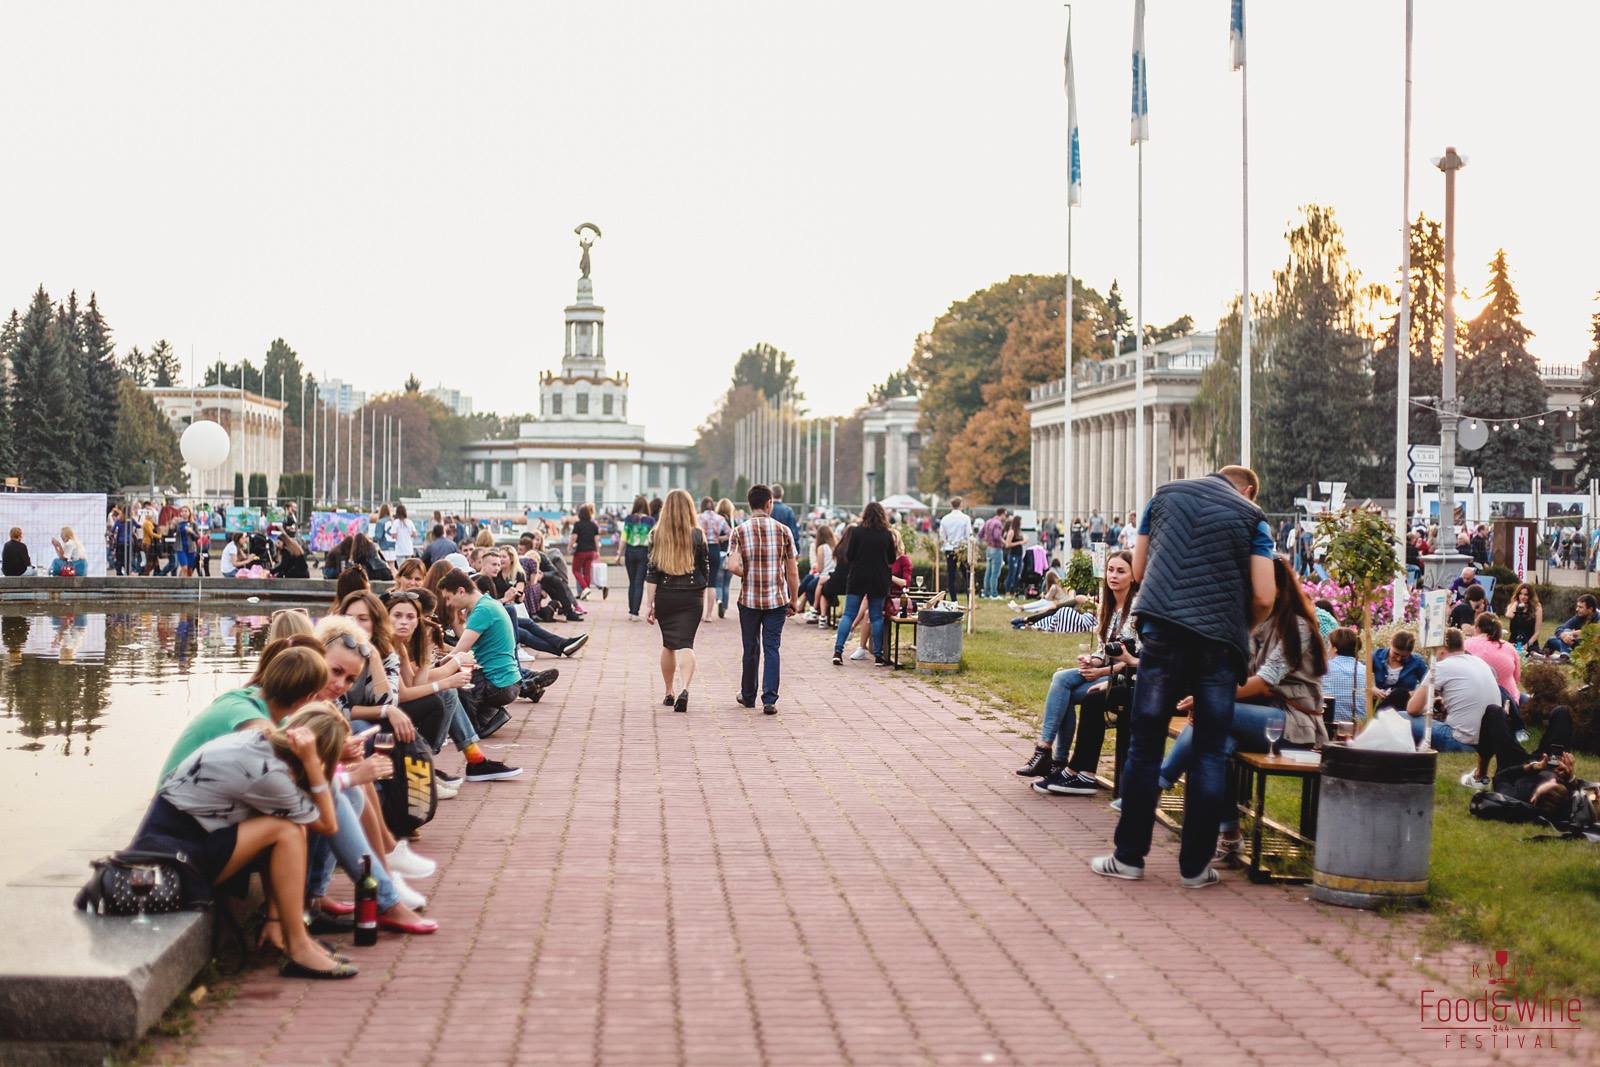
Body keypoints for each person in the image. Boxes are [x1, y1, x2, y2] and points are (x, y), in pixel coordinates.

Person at [1091, 466, 1276, 890]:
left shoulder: (1162, 497)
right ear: (1243, 488)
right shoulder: (1253, 517)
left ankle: (1129, 858)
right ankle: (1195, 867)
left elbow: (1138, 569)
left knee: (1144, 747)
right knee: (1210, 752)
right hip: (1219, 646)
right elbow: (1265, 594)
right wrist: (1241, 627)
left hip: (1163, 635)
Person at [131, 704, 357, 979]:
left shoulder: (259, 742)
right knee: (287, 831)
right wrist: (312, 764)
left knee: (289, 827)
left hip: (179, 843)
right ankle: (298, 947)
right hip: (172, 862)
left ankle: (292, 933)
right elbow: (328, 824)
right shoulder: (268, 773)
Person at [1159, 557, 1328, 866]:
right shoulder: (1251, 624)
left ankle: (1157, 784)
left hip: (1292, 723)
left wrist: (1208, 698)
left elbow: (1265, 683)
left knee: (1211, 716)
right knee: (1213, 745)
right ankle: (1231, 836)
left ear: (1279, 588)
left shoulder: (1297, 626)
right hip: (1250, 716)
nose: (1252, 592)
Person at [1022, 549, 1139, 794]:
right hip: (1105, 671)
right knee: (1061, 679)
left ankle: (1056, 759)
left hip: (1124, 677)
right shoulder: (1107, 606)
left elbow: (1136, 659)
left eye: (1120, 571)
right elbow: (1102, 650)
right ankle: (1051, 755)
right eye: (1110, 570)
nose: (1113, 576)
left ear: (1133, 576)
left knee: (1065, 690)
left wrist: (1101, 671)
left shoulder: (1138, 610)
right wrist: (1092, 661)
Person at [725, 483, 799, 714]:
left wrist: (748, 572)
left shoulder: (738, 531)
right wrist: (793, 599)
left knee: (750, 647)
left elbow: (732, 565)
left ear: (750, 504)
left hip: (749, 599)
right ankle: (769, 699)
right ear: (770, 503)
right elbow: (792, 571)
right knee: (772, 648)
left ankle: (748, 695)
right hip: (776, 599)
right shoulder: (784, 531)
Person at [644, 489, 709, 712]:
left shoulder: (656, 535)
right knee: (686, 644)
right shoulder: (698, 535)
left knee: (668, 644)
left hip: (666, 595)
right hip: (692, 596)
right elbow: (705, 567)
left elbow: (652, 573)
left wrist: (649, 604)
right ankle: (685, 688)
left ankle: (669, 691)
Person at [1405, 627, 1498, 753]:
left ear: (1442, 651)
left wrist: (1429, 706)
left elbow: (1412, 709)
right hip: (1489, 741)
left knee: (1400, 717)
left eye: (1435, 652)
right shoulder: (1480, 662)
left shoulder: (1440, 667)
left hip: (1461, 741)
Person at [831, 502, 895, 667]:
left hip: (858, 576)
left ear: (865, 514)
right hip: (878, 579)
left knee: (849, 614)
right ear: (882, 516)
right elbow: (892, 559)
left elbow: (850, 555)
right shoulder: (887, 535)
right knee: (876, 617)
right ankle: (879, 656)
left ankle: (838, 651)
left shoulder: (856, 532)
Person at [1322, 628, 1371, 725]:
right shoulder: (1365, 671)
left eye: (1329, 645)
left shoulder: (1324, 668)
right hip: (1358, 727)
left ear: (1335, 648)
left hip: (1328, 725)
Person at [619, 495, 655, 621]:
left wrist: (619, 554)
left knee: (632, 582)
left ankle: (631, 611)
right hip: (643, 552)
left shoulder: (629, 519)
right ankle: (635, 612)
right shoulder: (650, 521)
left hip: (630, 551)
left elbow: (624, 537)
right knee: (639, 582)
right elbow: (652, 539)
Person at [1372, 630, 1427, 707]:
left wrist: (1412, 694)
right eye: (1395, 654)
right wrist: (1372, 688)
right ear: (1390, 644)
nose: (1398, 659)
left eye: (1404, 656)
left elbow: (1428, 684)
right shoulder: (1376, 656)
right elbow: (1362, 676)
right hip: (1378, 703)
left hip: (1403, 705)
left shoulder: (1417, 662)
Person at [698, 496, 730, 622]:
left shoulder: (698, 517)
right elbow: (730, 532)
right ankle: (709, 615)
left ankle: (699, 614)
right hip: (715, 549)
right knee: (712, 583)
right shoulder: (720, 518)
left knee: (700, 583)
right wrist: (722, 538)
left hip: (701, 548)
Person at [798, 524, 837, 620]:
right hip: (834, 577)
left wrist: (816, 567)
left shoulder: (821, 548)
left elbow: (820, 569)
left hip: (824, 577)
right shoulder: (835, 547)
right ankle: (794, 602)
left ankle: (815, 610)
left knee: (809, 586)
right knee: (809, 579)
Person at [938, 497, 972, 597]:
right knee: (967, 574)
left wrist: (947, 543)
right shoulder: (965, 518)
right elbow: (968, 534)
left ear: (951, 505)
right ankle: (969, 598)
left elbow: (942, 535)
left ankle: (954, 600)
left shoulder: (945, 518)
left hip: (949, 548)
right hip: (962, 549)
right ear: (961, 505)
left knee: (951, 576)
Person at [569, 503, 601, 597]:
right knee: (587, 572)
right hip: (591, 551)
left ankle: (585, 588)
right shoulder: (593, 525)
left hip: (580, 551)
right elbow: (597, 539)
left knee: (575, 570)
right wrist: (597, 551)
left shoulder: (578, 524)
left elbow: (574, 537)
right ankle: (586, 592)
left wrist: (569, 547)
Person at [980, 508, 1007, 600]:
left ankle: (986, 593)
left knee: (988, 572)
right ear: (1002, 514)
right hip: (996, 549)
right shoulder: (998, 523)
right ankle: (994, 594)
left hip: (989, 548)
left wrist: (986, 540)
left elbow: (980, 534)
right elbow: (997, 536)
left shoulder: (988, 521)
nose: (1005, 517)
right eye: (1005, 515)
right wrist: (1004, 542)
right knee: (995, 573)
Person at [1507, 582, 1543, 649]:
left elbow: (1537, 632)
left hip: (1529, 643)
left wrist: (1526, 646)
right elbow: (1509, 615)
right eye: (1520, 594)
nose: (1523, 597)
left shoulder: (1537, 608)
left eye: (1526, 595)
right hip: (1513, 642)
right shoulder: (1512, 606)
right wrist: (1516, 603)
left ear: (1530, 596)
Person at [769, 483, 799, 547]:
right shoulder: (788, 511)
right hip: (784, 548)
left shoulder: (767, 510)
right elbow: (794, 534)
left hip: (769, 547)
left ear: (771, 494)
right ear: (782, 494)